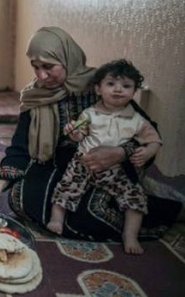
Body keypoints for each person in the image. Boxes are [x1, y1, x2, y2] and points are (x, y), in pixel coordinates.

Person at [0, 27, 182, 243]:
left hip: (108, 168)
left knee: (94, 212)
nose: (41, 76)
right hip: (60, 168)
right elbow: (20, 147)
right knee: (19, 198)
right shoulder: (35, 96)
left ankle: (160, 213)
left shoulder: (103, 85)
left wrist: (120, 153)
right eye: (35, 67)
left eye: (48, 66)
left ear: (67, 58)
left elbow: (144, 131)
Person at [47, 59, 161, 254]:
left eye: (126, 86)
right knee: (66, 187)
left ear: (134, 92)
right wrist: (74, 132)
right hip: (82, 163)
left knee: (135, 196)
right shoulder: (90, 113)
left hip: (115, 171)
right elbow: (79, 133)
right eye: (111, 84)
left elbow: (155, 140)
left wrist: (148, 151)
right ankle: (57, 219)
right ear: (98, 89)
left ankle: (130, 235)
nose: (118, 90)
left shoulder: (136, 120)